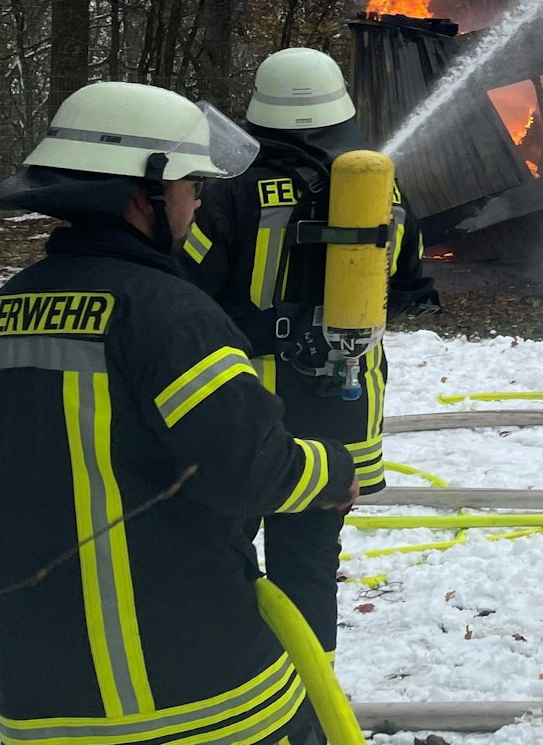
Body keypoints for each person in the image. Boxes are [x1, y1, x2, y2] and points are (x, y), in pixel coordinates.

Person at [0, 82, 356, 743]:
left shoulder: (9, 307)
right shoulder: (168, 314)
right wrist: (331, 471)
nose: (198, 201)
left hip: (38, 697)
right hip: (197, 694)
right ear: (144, 194)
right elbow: (251, 465)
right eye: (192, 183)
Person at [184, 47, 438, 655]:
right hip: (340, 412)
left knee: (224, 560)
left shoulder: (226, 192)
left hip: (242, 411)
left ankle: (244, 691)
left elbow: (184, 294)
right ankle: (311, 704)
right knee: (309, 570)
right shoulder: (377, 183)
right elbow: (406, 280)